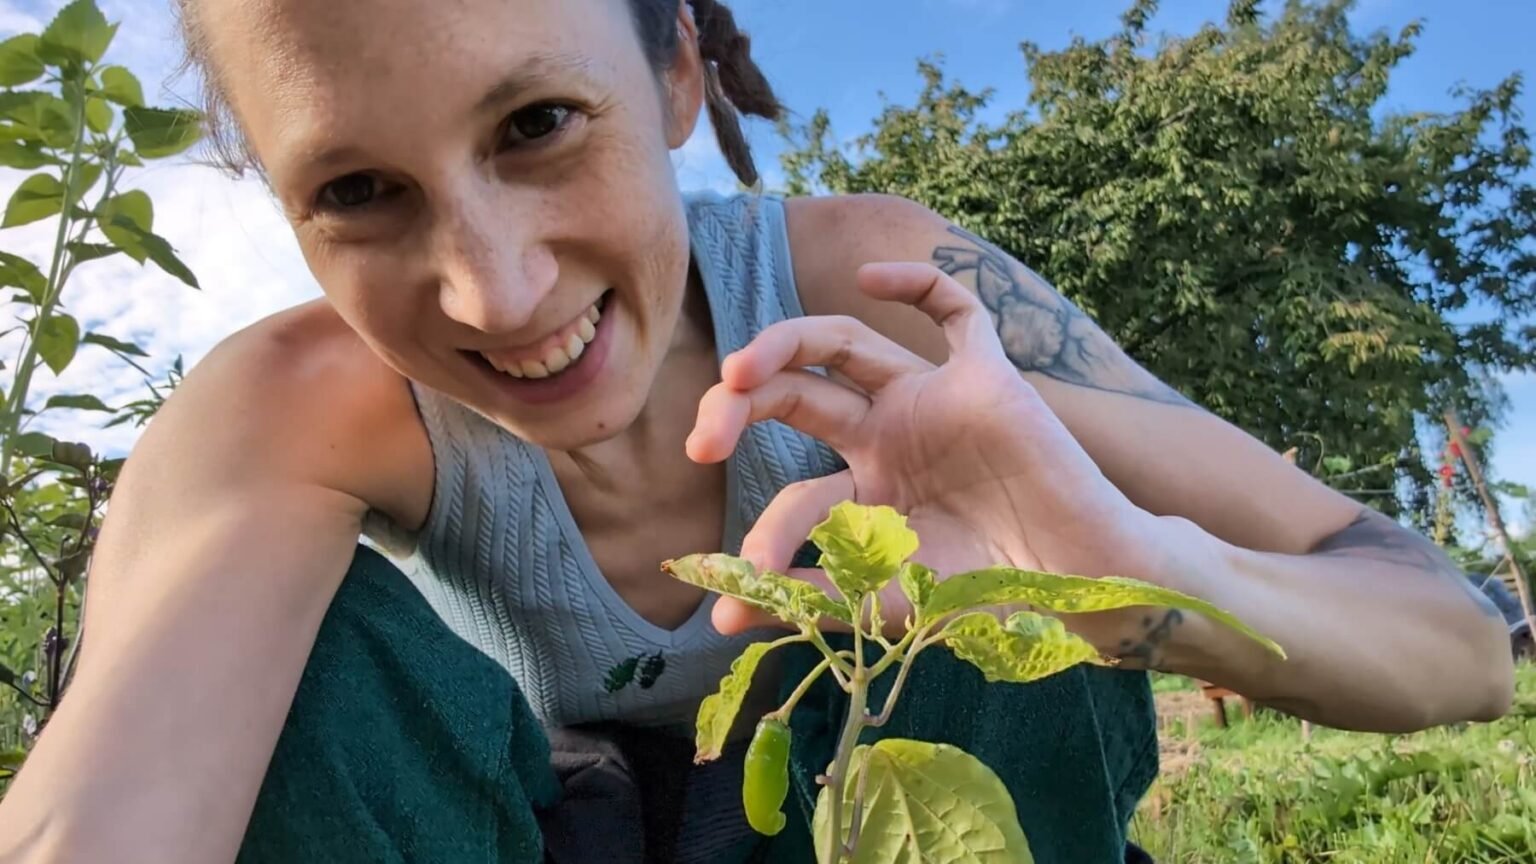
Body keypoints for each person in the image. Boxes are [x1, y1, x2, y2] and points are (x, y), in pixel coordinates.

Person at [0, 0, 1516, 861]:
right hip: (540, 819)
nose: (496, 289)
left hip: (858, 803)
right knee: (310, 663)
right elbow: (103, 820)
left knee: (996, 614)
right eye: (355, 192)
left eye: (536, 125)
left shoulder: (897, 291)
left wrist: (1124, 573)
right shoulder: (290, 411)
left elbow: (1449, 639)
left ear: (671, 74)